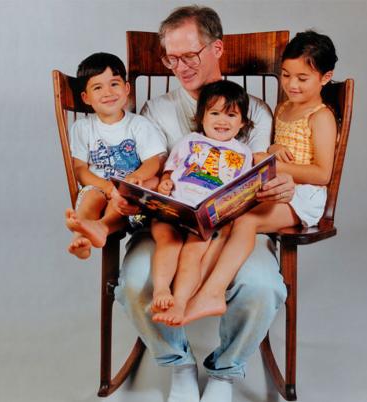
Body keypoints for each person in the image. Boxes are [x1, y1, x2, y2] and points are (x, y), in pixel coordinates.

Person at [113, 6, 295, 402]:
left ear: (217, 49)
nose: (180, 67)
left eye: (190, 55)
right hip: (168, 229)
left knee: (262, 285)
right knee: (135, 283)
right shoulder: (156, 110)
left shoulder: (255, 113)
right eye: (171, 58)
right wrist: (135, 192)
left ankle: (226, 371)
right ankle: (176, 363)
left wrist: (279, 184)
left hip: (232, 231)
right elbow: (152, 171)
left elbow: (260, 171)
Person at [182, 30, 339, 326]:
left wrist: (272, 164)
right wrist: (274, 149)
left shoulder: (321, 117)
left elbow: (322, 173)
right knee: (227, 214)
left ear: (325, 77)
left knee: (246, 220)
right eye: (285, 75)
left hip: (304, 196)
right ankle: (196, 287)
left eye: (302, 78)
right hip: (275, 186)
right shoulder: (284, 108)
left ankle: (213, 291)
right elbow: (279, 149)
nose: (291, 85)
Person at [150, 80, 254, 324]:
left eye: (231, 115)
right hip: (174, 208)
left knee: (191, 255)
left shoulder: (242, 153)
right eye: (214, 113)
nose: (222, 121)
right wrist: (165, 181)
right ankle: (161, 290)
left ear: (242, 123)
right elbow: (170, 169)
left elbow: (241, 191)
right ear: (201, 117)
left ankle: (181, 303)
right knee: (168, 242)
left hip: (206, 218)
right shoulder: (189, 141)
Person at [64, 52, 166, 259]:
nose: (108, 92)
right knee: (92, 196)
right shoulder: (82, 128)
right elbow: (80, 169)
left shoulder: (139, 124)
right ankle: (80, 239)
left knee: (122, 197)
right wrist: (106, 187)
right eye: (97, 87)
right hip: (98, 186)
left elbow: (153, 161)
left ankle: (102, 227)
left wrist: (135, 178)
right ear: (86, 97)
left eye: (114, 84)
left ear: (126, 88)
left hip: (129, 194)